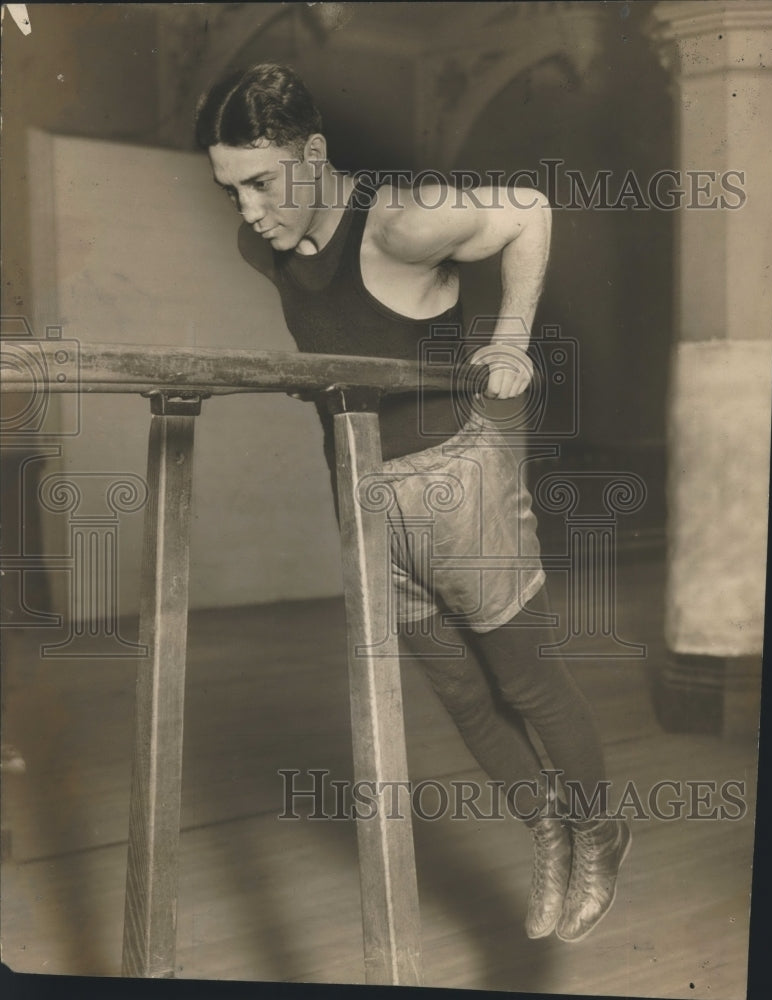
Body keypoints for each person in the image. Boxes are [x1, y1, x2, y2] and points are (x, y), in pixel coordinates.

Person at [195, 63, 630, 943]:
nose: (247, 212)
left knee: (524, 681)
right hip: (361, 490)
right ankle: (544, 830)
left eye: (261, 183)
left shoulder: (400, 220)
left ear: (313, 154)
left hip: (456, 481)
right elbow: (339, 324)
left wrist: (510, 336)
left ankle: (598, 831)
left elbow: (528, 209)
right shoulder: (263, 242)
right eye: (230, 189)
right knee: (462, 697)